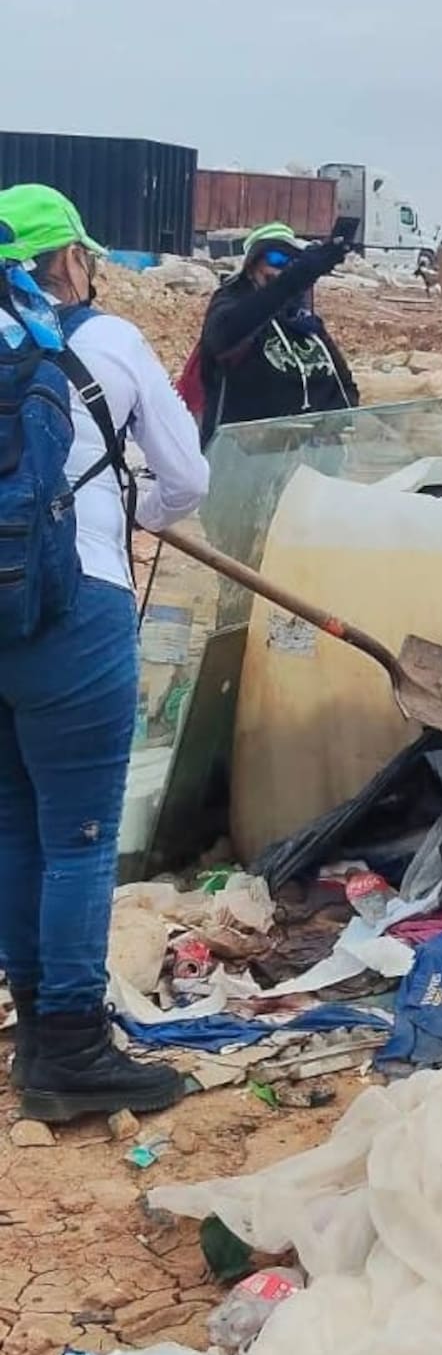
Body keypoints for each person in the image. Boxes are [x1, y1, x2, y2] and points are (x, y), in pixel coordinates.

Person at [0, 184, 210, 1121]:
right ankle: (74, 1049)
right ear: (73, 259)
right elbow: (186, 477)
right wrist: (138, 511)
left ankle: (37, 1031)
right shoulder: (111, 342)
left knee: (13, 826)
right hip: (74, 604)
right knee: (79, 839)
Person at [197, 220, 358, 445]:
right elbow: (227, 335)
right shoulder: (230, 307)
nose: (283, 269)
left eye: (292, 261)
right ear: (251, 266)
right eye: (276, 259)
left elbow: (345, 386)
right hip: (243, 457)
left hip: (310, 458)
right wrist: (300, 274)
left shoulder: (304, 322)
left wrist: (329, 425)